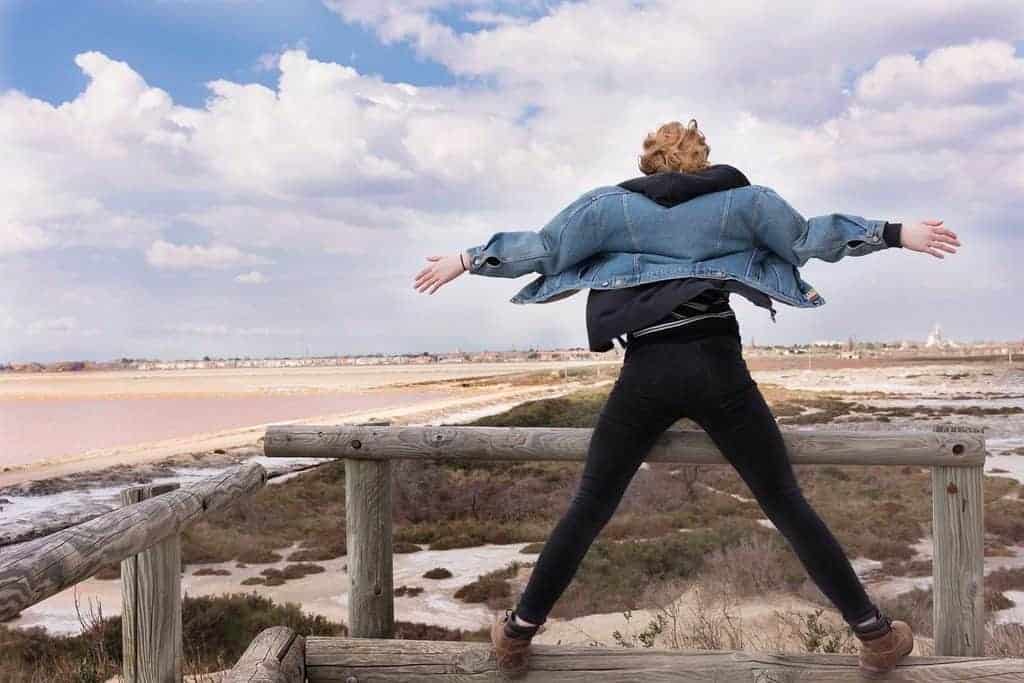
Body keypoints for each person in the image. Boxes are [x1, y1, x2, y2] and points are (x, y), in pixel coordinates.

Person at [413, 120, 960, 677]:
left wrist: (465, 258)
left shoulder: (608, 207)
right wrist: (893, 233)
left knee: (591, 505)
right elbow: (806, 238)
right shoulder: (744, 202)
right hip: (718, 366)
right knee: (784, 502)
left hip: (647, 369)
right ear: (702, 159)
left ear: (647, 162)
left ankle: (515, 635)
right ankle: (875, 635)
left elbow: (546, 249)